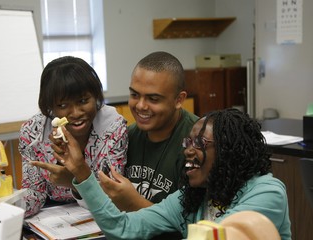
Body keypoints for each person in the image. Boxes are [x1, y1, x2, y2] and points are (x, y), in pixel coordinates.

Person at [54, 108, 291, 240]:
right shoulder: (192, 197)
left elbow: (222, 235)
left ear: (229, 151)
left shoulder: (267, 192)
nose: (188, 150)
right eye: (187, 142)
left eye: (199, 143)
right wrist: (82, 172)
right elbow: (122, 227)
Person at [18, 56, 128, 217]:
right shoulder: (32, 132)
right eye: (62, 105)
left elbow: (115, 196)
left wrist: (75, 181)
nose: (76, 113)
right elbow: (34, 193)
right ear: (50, 106)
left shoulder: (114, 127)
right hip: (51, 217)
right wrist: (4, 210)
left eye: (83, 101)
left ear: (96, 96)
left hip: (101, 215)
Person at [99, 51, 199, 213]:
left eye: (153, 99)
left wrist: (133, 202)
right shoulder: (124, 137)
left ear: (179, 100)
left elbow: (191, 224)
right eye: (134, 95)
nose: (140, 106)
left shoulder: (198, 144)